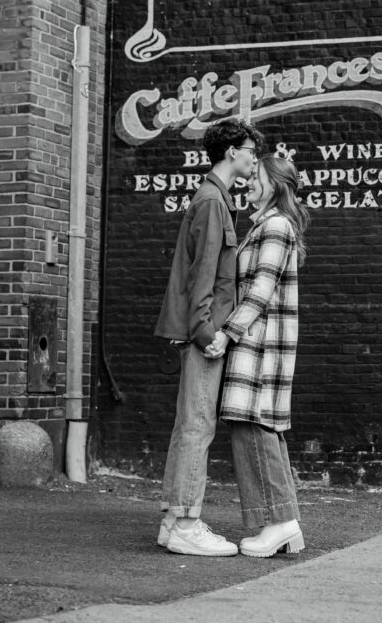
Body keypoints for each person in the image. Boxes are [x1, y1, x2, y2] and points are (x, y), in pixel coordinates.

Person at [154, 118, 263, 557]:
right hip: (207, 332)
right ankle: (185, 523)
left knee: (190, 424)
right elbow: (203, 279)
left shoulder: (212, 198)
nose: (255, 158)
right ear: (231, 152)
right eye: (250, 150)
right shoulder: (213, 202)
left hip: (205, 329)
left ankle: (172, 520)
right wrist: (206, 334)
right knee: (199, 425)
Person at [205, 154, 310, 558]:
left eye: (257, 178)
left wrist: (226, 335)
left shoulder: (276, 226)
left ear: (275, 186)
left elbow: (259, 291)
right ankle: (282, 522)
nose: (248, 181)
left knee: (254, 428)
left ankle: (280, 522)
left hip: (260, 345)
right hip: (260, 342)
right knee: (259, 427)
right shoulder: (265, 226)